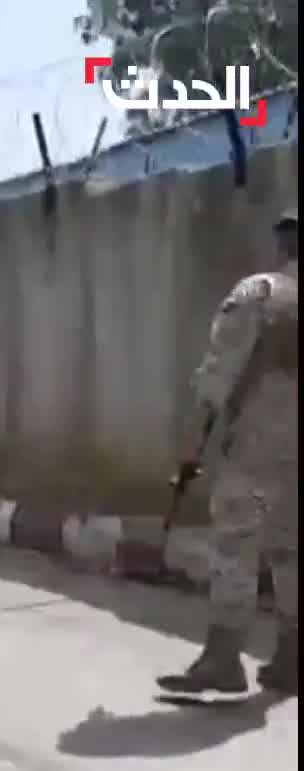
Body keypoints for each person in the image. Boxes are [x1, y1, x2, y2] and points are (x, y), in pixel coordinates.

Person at [157, 209, 298, 697]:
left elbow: (218, 375)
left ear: (283, 243)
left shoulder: (261, 292)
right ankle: (293, 657)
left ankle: (223, 659)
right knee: (291, 548)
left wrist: (194, 444)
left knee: (236, 542)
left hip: (261, 442)